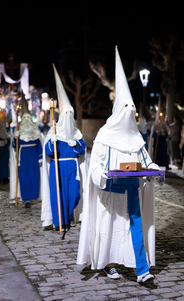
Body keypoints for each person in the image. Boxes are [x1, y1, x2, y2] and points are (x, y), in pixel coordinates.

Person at [77, 47, 160, 284]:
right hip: (111, 191)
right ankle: (110, 264)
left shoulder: (136, 138)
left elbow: (146, 160)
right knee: (112, 229)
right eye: (126, 109)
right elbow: (96, 166)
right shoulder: (104, 135)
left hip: (132, 189)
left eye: (132, 109)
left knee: (135, 227)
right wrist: (103, 176)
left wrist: (153, 168)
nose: (130, 113)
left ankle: (141, 270)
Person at [41, 64, 87, 231]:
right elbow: (47, 152)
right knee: (58, 194)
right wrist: (52, 143)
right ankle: (60, 221)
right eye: (65, 113)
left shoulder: (77, 133)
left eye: (70, 114)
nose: (68, 117)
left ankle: (68, 215)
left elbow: (83, 151)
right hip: (58, 166)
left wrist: (76, 145)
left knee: (74, 194)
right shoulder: (54, 132)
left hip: (72, 168)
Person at [12, 106, 43, 208]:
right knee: (24, 177)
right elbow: (14, 146)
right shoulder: (18, 132)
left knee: (34, 176)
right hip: (23, 158)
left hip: (33, 158)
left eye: (28, 118)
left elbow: (39, 145)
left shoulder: (35, 132)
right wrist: (15, 138)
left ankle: (33, 195)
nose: (26, 121)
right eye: (24, 118)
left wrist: (40, 157)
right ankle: (26, 199)